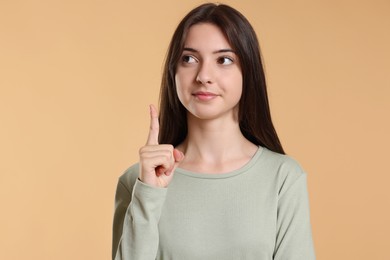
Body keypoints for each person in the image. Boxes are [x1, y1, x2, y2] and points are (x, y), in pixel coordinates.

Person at [112, 3, 315, 260]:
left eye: (224, 60)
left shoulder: (283, 178)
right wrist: (149, 194)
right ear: (173, 72)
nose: (204, 75)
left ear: (248, 72)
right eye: (189, 59)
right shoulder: (137, 181)